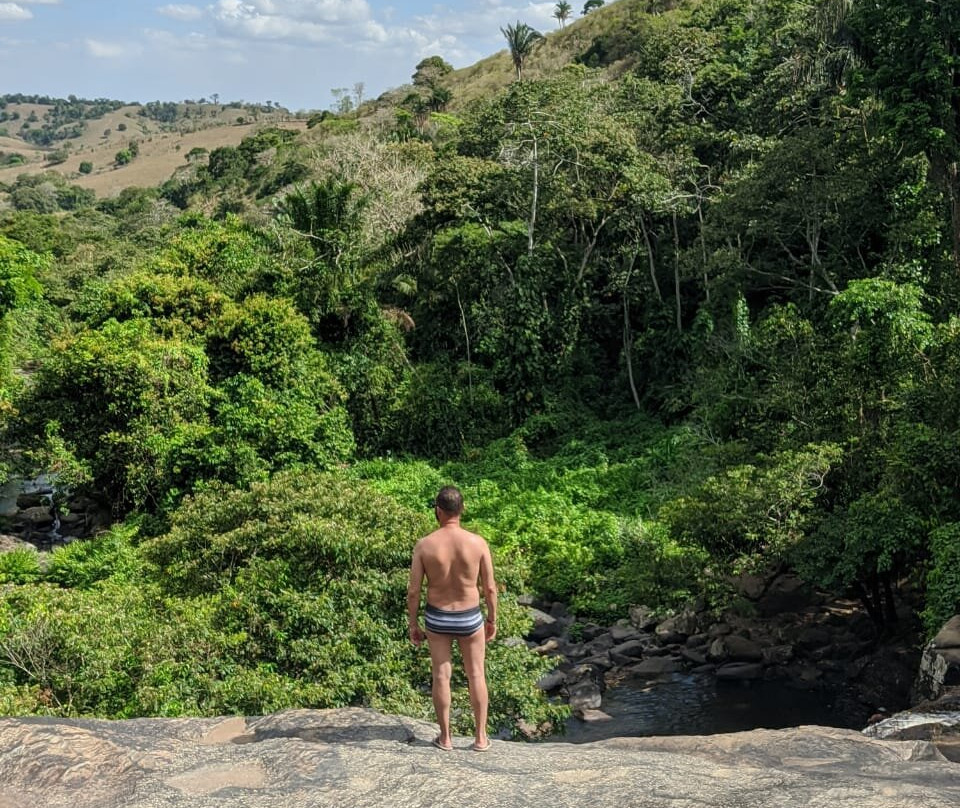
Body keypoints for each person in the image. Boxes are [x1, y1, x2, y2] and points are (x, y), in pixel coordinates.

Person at [407, 485, 497, 752]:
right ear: (462, 509)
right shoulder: (477, 543)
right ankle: (480, 738)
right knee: (476, 674)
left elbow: (413, 591)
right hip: (470, 617)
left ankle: (445, 738)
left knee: (441, 676)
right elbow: (490, 588)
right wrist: (492, 619)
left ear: (438, 510)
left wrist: (413, 624)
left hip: (437, 617)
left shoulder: (425, 545)